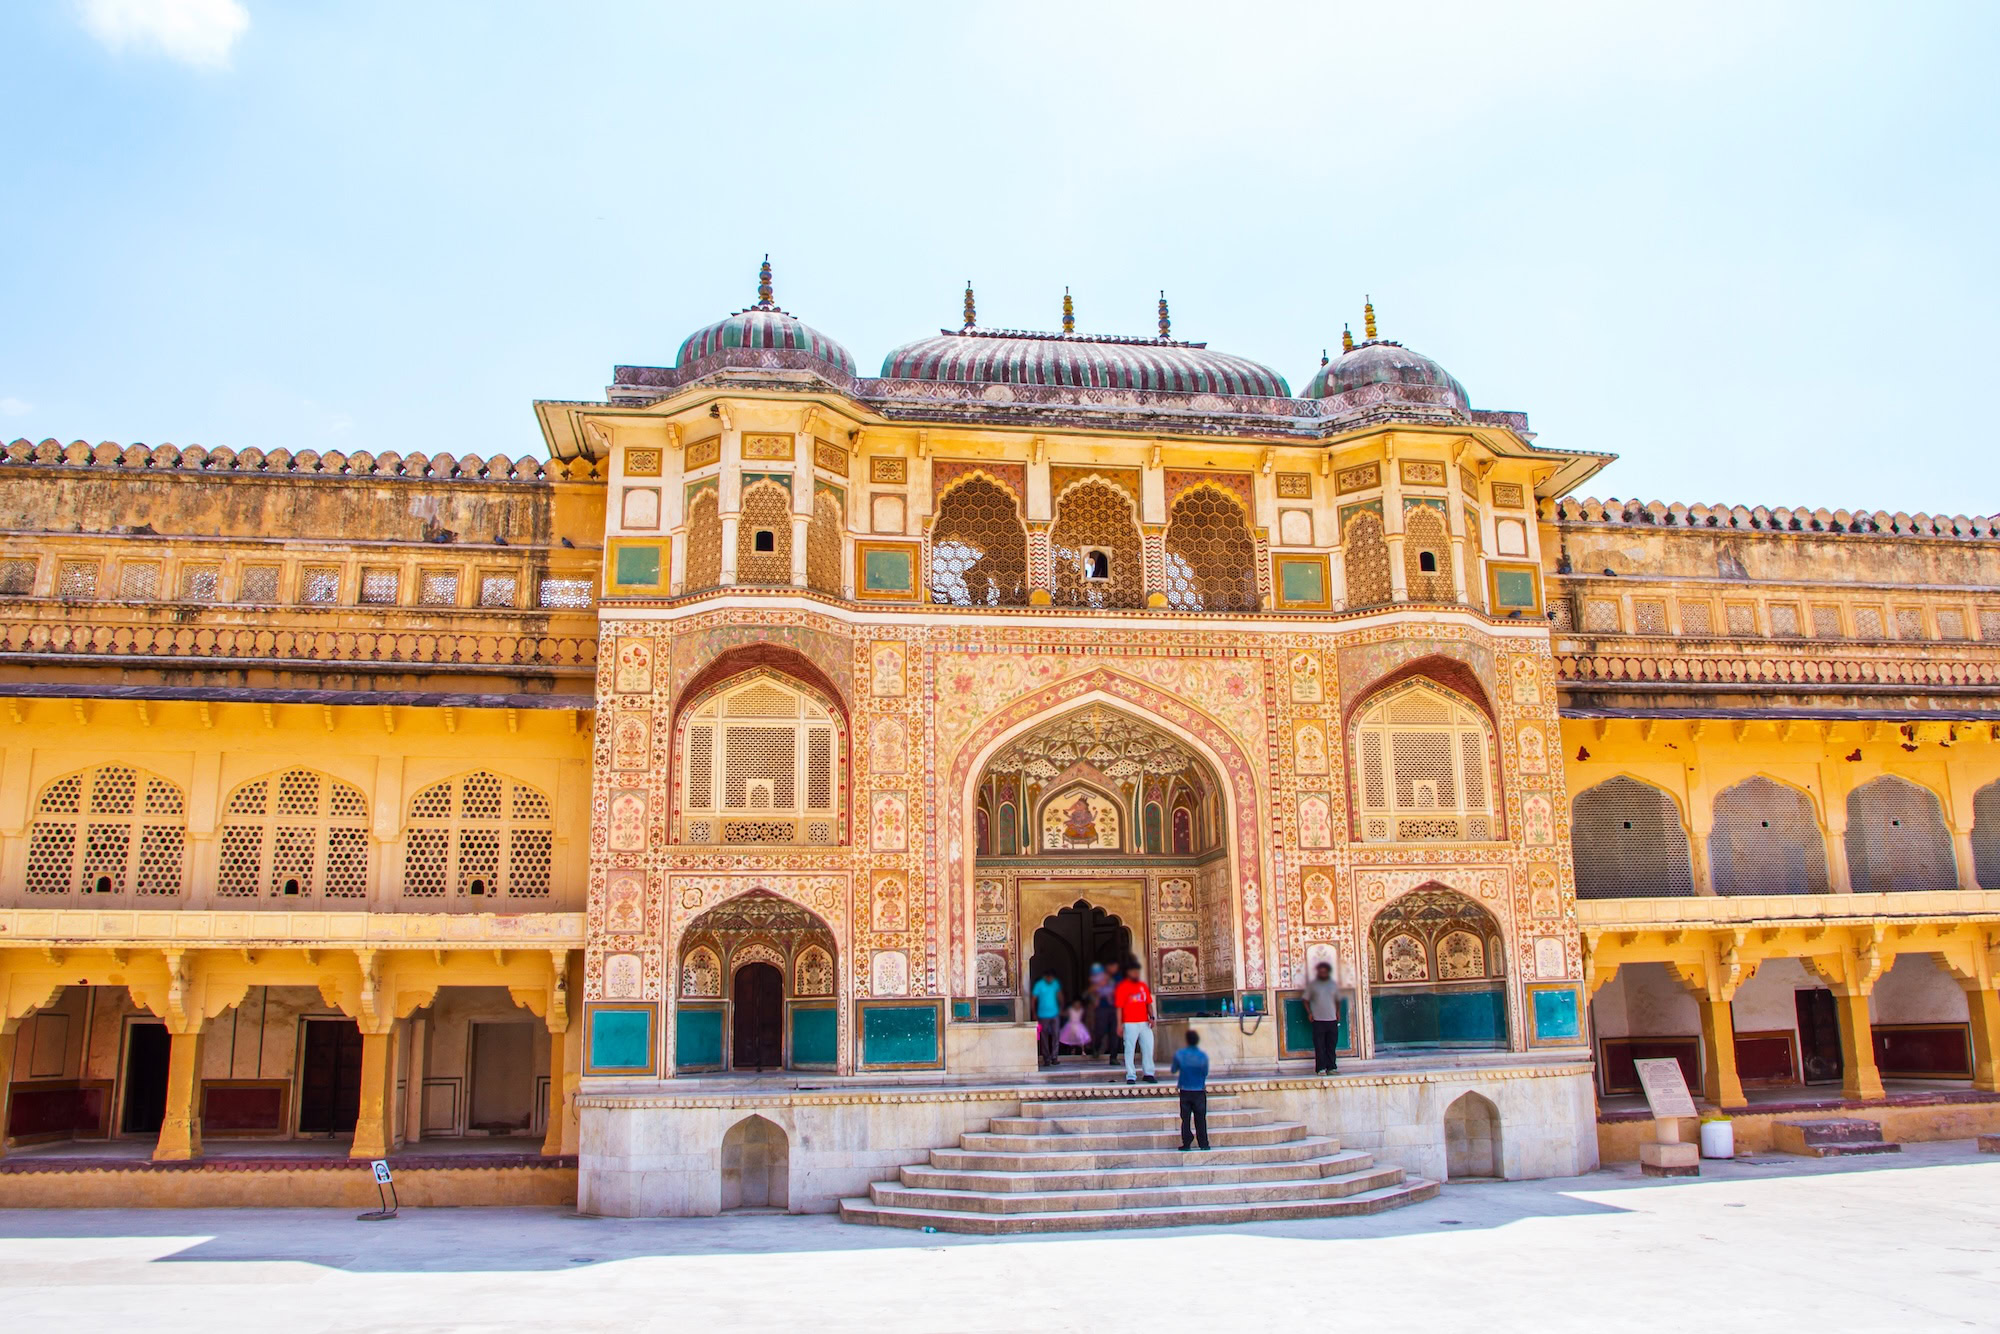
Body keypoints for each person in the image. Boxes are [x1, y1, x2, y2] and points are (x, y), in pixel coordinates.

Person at [1114, 960, 1157, 1084]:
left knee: (1148, 1048)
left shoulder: (1143, 986)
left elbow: (1148, 1003)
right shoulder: (1123, 987)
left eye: (1137, 972)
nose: (1136, 974)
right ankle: (1131, 1074)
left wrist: (1152, 1017)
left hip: (1144, 1022)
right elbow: (1119, 1008)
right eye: (1134, 971)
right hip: (1129, 1022)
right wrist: (1119, 1024)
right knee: (1129, 1048)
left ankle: (1148, 1073)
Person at [1171, 1029, 1211, 1151]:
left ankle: (1187, 1142)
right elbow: (1205, 1072)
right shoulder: (1203, 1056)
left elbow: (1174, 1069)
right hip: (1199, 1090)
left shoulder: (1180, 1054)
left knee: (1186, 1118)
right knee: (1200, 1118)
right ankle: (1203, 1143)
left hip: (1185, 1090)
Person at [1300, 959, 1341, 1074]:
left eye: (1325, 972)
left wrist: (1338, 1012)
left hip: (1332, 1019)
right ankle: (1321, 1068)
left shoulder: (1333, 985)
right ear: (1318, 972)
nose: (1323, 974)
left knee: (1331, 1046)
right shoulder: (1313, 985)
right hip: (1318, 1020)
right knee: (1319, 1046)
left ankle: (1331, 1067)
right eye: (1321, 972)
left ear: (1328, 972)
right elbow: (1305, 1000)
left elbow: (1337, 1000)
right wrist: (1309, 1013)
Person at [1031, 970, 1063, 1068]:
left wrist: (1061, 1008)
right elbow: (1033, 999)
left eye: (1052, 978)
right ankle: (1046, 1058)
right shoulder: (1039, 985)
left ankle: (1054, 1057)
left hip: (1054, 1014)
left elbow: (1060, 995)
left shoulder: (1055, 983)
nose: (1050, 980)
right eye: (1049, 978)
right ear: (1045, 977)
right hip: (1042, 1014)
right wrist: (1034, 1013)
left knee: (1056, 1034)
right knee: (1044, 1036)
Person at [1088, 963, 1119, 1064]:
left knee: (1114, 1033)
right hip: (1101, 1009)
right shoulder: (1095, 982)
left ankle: (1113, 1057)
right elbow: (1090, 993)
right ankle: (1096, 1048)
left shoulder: (1114, 980)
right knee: (1100, 1031)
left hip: (1114, 1009)